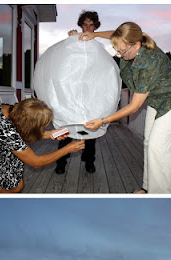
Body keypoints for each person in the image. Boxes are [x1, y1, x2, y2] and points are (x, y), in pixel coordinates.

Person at [81, 22, 171, 194]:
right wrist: (95, 35)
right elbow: (115, 34)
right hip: (157, 98)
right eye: (116, 49)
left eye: (122, 51)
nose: (118, 54)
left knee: (158, 148)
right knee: (149, 143)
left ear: (136, 45)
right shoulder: (129, 41)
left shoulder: (149, 62)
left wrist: (103, 121)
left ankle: (162, 196)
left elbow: (135, 106)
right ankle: (148, 188)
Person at [54, 10, 101, 175]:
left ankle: (89, 161)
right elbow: (65, 60)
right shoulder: (74, 39)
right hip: (73, 93)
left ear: (95, 27)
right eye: (85, 24)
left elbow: (102, 70)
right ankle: (61, 162)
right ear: (81, 26)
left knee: (90, 129)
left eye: (91, 25)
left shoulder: (98, 46)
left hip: (90, 94)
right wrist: (70, 40)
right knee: (67, 126)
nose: (88, 28)